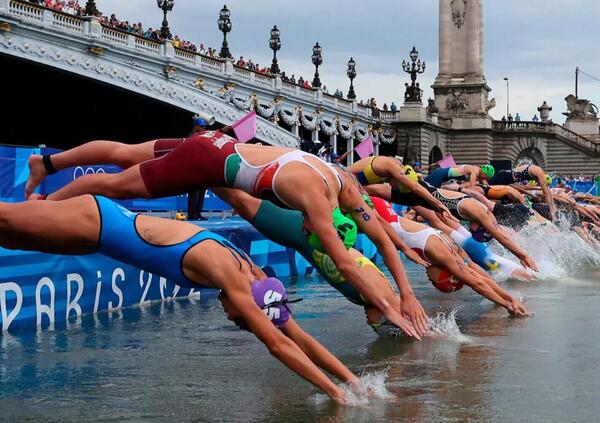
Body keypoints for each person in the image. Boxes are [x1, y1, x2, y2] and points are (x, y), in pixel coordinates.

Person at [27, 134, 429, 335]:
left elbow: (379, 236)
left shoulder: (340, 180)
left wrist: (407, 291)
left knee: (123, 153)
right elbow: (343, 260)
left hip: (217, 144)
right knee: (115, 186)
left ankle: (47, 162)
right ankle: (42, 208)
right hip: (205, 162)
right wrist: (391, 307)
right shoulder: (318, 199)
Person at [0, 195, 359, 402]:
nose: (231, 318)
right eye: (239, 319)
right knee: (5, 217)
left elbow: (296, 336)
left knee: (10, 238)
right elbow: (278, 347)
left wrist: (353, 382)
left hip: (96, 237)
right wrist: (337, 395)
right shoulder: (230, 274)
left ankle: (36, 207)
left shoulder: (254, 275)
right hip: (96, 219)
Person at [214, 188, 422, 337]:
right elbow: (355, 260)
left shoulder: (377, 300)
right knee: (237, 198)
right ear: (390, 318)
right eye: (377, 326)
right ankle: (200, 162)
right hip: (300, 231)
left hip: (301, 235)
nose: (370, 324)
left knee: (240, 199)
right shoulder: (381, 297)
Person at [370, 196, 529, 316]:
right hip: (381, 215)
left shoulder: (450, 248)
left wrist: (508, 298)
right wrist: (506, 304)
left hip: (385, 215)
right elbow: (476, 283)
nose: (428, 277)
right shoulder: (441, 255)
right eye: (433, 281)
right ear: (444, 275)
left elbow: (477, 273)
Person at [346, 157, 454, 218]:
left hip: (350, 186)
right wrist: (439, 205)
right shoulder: (391, 166)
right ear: (399, 178)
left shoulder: (394, 168)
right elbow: (415, 187)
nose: (392, 187)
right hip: (341, 180)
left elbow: (417, 179)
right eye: (397, 186)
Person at [488, 164, 556, 221]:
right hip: (503, 177)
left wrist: (553, 208)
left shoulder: (536, 172)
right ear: (543, 181)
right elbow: (546, 193)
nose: (537, 184)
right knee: (486, 189)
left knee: (490, 191)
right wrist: (552, 213)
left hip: (505, 177)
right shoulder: (539, 173)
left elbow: (548, 192)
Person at [424, 164, 496, 188]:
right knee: (430, 193)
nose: (486, 179)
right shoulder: (475, 171)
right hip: (440, 174)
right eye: (486, 177)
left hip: (441, 172)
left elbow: (485, 184)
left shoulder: (478, 172)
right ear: (484, 173)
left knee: (421, 182)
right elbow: (472, 185)